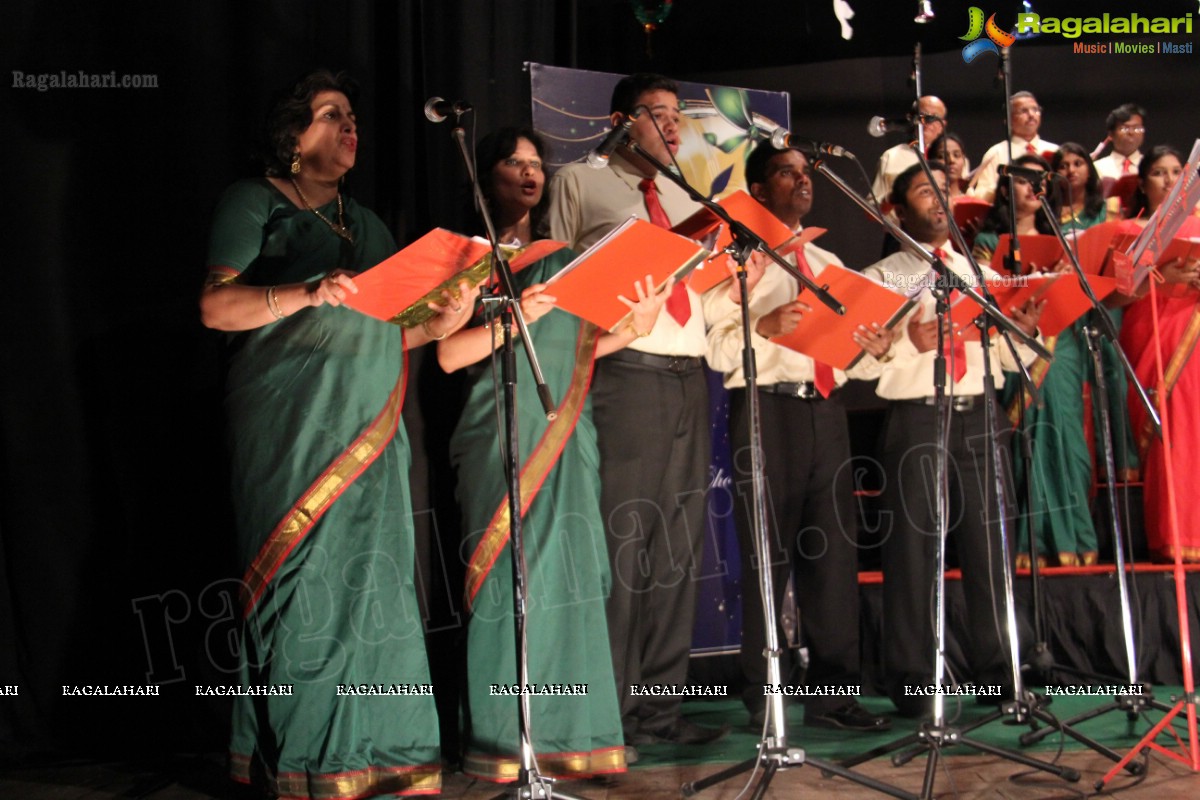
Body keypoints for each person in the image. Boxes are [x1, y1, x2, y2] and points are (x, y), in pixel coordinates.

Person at [200, 70, 475, 798]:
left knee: (374, 586)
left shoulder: (371, 225)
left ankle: (381, 751)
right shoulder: (254, 200)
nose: (349, 126)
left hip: (372, 429)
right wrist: (305, 292)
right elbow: (215, 307)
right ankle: (306, 763)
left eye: (352, 116)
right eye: (330, 115)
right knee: (307, 589)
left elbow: (391, 329)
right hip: (289, 429)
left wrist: (442, 322)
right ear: (294, 135)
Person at [440, 128, 670, 777]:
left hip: (567, 432)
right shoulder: (464, 255)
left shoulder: (565, 256)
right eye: (514, 162)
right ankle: (504, 742)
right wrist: (519, 317)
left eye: (537, 163)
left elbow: (577, 353)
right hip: (499, 431)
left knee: (572, 576)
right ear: (486, 176)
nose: (529, 172)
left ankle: (577, 738)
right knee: (509, 580)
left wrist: (634, 328)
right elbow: (451, 353)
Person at [546, 72, 727, 750]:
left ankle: (659, 709)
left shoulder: (683, 194)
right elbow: (552, 284)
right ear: (621, 120)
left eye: (679, 116)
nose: (674, 127)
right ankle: (612, 714)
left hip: (689, 374)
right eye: (659, 114)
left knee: (678, 552)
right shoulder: (579, 182)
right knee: (626, 545)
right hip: (625, 373)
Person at [702, 144, 893, 732]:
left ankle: (835, 696)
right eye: (787, 173)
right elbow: (713, 346)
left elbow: (844, 356)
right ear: (759, 189)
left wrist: (871, 351)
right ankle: (765, 694)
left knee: (834, 557)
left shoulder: (828, 259)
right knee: (770, 552)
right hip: (766, 408)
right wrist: (761, 327)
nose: (802, 182)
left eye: (806, 174)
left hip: (825, 413)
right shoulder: (735, 259)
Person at [864, 162, 1044, 715]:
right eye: (925, 191)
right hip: (918, 414)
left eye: (947, 190)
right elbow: (853, 365)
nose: (939, 200)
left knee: (991, 547)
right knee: (915, 551)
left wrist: (1028, 329)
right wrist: (908, 344)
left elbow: (1005, 355)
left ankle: (999, 672)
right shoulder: (885, 275)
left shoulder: (977, 272)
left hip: (980, 413)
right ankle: (915, 681)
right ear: (898, 209)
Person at [1117, 145, 1200, 562]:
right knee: (1170, 433)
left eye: (1176, 173)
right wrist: (1159, 276)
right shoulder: (1131, 231)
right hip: (1153, 336)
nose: (1169, 181)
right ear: (1142, 182)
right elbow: (1112, 296)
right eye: (1159, 173)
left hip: (1195, 334)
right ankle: (1174, 534)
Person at [969, 91, 1058, 203]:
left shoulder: (1054, 150)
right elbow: (981, 195)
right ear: (1008, 119)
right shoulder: (996, 152)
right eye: (1023, 111)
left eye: (1035, 110)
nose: (1031, 115)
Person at [971, 154, 1056, 267]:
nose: (1033, 188)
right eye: (1023, 182)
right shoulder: (989, 241)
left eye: (1041, 183)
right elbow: (984, 283)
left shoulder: (1053, 238)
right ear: (1005, 191)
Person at [870, 95, 950, 205]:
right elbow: (872, 210)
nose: (927, 122)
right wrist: (892, 198)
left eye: (934, 117)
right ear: (911, 119)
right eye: (923, 115)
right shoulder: (891, 157)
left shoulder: (952, 160)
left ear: (942, 126)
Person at [1094, 103, 1146, 182]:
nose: (1131, 132)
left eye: (1137, 128)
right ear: (1111, 134)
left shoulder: (1151, 165)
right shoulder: (1097, 167)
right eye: (1124, 128)